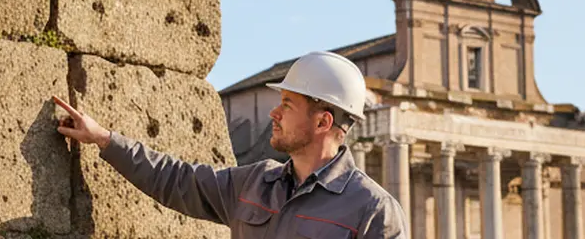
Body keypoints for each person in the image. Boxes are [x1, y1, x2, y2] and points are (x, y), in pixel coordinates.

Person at [54, 51, 408, 239]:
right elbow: (174, 179)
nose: (274, 112)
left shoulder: (373, 211)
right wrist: (103, 138)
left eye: (287, 104)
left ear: (323, 122)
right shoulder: (252, 183)